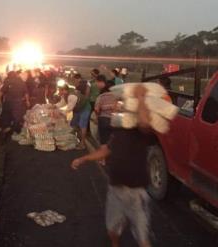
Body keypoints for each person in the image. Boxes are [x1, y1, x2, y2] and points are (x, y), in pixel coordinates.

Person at [71, 85, 153, 247]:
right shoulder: (119, 131)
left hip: (135, 192)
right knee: (112, 231)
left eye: (119, 104)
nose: (115, 107)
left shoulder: (139, 130)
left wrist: (141, 98)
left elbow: (145, 123)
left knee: (142, 238)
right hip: (115, 189)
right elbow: (106, 150)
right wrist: (84, 159)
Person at [56, 84, 91, 150]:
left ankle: (82, 143)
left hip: (85, 108)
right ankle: (75, 139)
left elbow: (69, 109)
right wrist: (54, 106)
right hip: (77, 109)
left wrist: (60, 113)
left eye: (59, 90)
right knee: (73, 124)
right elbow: (61, 104)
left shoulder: (71, 96)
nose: (58, 92)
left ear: (64, 90)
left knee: (82, 125)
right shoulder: (65, 96)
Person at [0, 71, 30, 136]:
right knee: (17, 116)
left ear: (9, 76)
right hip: (18, 102)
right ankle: (15, 129)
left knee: (6, 115)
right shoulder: (21, 82)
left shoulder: (8, 81)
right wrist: (27, 101)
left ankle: (7, 128)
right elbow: (26, 93)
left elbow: (1, 91)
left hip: (8, 102)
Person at [95, 78, 116, 146]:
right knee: (113, 140)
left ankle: (103, 154)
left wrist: (97, 117)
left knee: (103, 141)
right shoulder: (118, 96)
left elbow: (97, 109)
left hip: (103, 119)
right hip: (114, 120)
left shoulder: (101, 96)